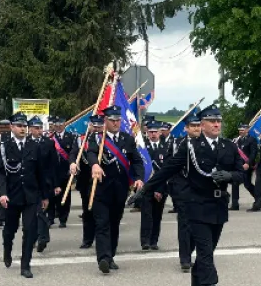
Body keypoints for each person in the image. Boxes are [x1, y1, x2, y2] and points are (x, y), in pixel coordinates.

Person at [142, 104, 244, 286]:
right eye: (212, 121)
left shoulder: (229, 146)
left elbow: (242, 173)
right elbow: (168, 169)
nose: (217, 124)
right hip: (196, 206)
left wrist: (230, 176)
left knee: (208, 251)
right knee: (206, 252)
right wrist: (145, 190)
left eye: (219, 121)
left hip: (219, 206)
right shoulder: (190, 147)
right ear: (202, 124)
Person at [84, 105, 145, 274]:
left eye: (118, 120)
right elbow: (90, 154)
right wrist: (95, 164)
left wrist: (139, 178)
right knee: (102, 224)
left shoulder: (127, 139)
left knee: (114, 224)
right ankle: (103, 258)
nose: (116, 123)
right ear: (106, 121)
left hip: (120, 190)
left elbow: (137, 161)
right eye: (112, 120)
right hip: (101, 190)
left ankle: (110, 256)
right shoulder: (97, 139)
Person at [0, 112, 51, 279]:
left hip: (31, 196)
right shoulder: (5, 146)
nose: (23, 129)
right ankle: (7, 250)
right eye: (19, 126)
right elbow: (0, 173)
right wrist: (2, 194)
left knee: (30, 229)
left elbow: (41, 172)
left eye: (24, 126)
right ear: (11, 127)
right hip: (12, 196)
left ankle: (26, 265)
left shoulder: (34, 146)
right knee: (10, 229)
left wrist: (45, 196)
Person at [169, 114, 202, 271]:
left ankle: (190, 251)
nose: (196, 128)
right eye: (192, 126)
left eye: (198, 125)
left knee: (198, 225)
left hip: (201, 192)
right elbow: (170, 165)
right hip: (183, 190)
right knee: (184, 225)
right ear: (186, 128)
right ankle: (185, 259)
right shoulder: (178, 144)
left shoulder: (206, 144)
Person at [69, 114, 104, 249]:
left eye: (98, 126)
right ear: (89, 126)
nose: (96, 129)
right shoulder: (81, 139)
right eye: (93, 126)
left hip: (102, 181)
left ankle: (102, 238)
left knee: (101, 212)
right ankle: (87, 239)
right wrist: (72, 163)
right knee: (87, 211)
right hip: (85, 180)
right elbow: (73, 153)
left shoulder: (107, 140)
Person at [28, 116, 56, 252]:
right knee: (31, 214)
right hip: (28, 183)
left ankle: (42, 238)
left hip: (44, 183)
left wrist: (55, 184)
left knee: (40, 212)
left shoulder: (48, 143)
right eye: (36, 128)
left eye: (40, 128)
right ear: (30, 129)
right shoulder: (25, 142)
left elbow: (53, 165)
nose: (39, 131)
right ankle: (34, 238)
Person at [140, 122, 169, 250]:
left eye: (155, 132)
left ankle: (154, 241)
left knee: (157, 215)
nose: (153, 134)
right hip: (146, 187)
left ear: (159, 133)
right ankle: (145, 241)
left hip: (161, 188)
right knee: (146, 215)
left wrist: (159, 189)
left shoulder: (166, 148)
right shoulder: (143, 148)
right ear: (147, 133)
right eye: (150, 132)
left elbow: (167, 171)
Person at [48, 115, 77, 228]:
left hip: (65, 171)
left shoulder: (71, 137)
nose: (59, 126)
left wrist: (72, 165)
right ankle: (50, 218)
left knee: (65, 195)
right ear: (54, 125)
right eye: (56, 124)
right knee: (51, 195)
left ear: (64, 124)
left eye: (61, 124)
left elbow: (73, 153)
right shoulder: (50, 138)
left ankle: (63, 218)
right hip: (52, 172)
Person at [230, 123, 258, 210]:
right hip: (238, 166)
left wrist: (248, 163)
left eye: (242, 130)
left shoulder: (252, 140)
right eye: (239, 130)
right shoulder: (237, 140)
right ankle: (235, 205)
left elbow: (253, 153)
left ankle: (258, 198)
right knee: (235, 183)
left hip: (247, 166)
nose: (240, 132)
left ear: (247, 130)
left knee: (247, 184)